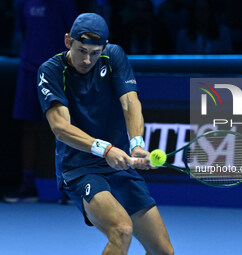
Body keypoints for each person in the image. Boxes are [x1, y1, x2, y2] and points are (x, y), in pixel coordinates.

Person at [37, 13, 174, 255]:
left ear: (105, 48)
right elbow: (61, 127)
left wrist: (137, 144)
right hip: (80, 168)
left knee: (164, 252)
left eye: (95, 52)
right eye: (81, 50)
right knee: (121, 230)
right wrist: (105, 149)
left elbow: (130, 103)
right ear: (68, 41)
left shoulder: (114, 56)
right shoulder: (51, 71)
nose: (88, 59)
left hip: (119, 166)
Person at [4, 0, 78, 203]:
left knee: (63, 130)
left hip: (57, 72)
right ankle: (28, 187)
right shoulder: (23, 3)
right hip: (29, 70)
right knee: (28, 128)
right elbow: (24, 31)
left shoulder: (65, 4)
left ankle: (69, 187)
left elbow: (73, 38)